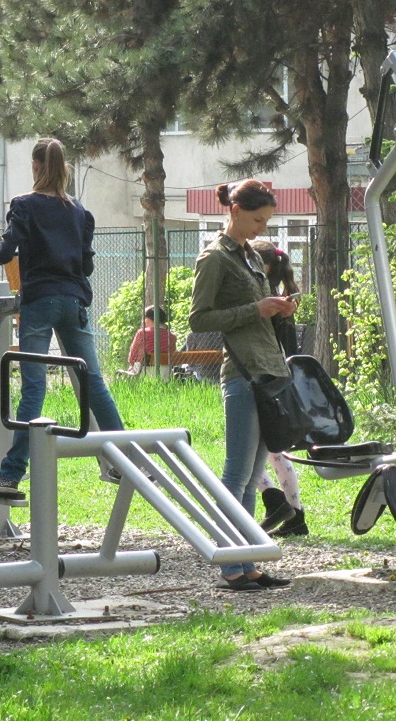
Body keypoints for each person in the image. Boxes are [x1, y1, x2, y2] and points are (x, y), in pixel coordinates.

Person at [0, 138, 125, 499]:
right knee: (93, 383)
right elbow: (86, 265)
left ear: (35, 166)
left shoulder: (24, 205)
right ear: (64, 168)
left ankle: (10, 475)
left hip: (39, 301)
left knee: (34, 387)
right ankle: (127, 460)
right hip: (73, 301)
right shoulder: (80, 211)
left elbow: (6, 252)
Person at [189, 179, 295, 592]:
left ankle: (247, 564)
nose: (262, 228)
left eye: (266, 221)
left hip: (267, 371)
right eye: (257, 220)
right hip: (241, 374)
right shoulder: (214, 258)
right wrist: (256, 309)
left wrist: (279, 310)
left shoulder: (251, 255)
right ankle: (229, 566)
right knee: (236, 475)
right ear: (234, 211)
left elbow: (256, 314)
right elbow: (199, 319)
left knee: (252, 479)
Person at [251, 240, 307, 537]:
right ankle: (294, 514)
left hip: (265, 382)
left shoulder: (269, 303)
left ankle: (277, 504)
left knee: (253, 453)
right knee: (274, 452)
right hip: (279, 382)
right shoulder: (281, 301)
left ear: (264, 267)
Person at [122, 305, 179, 375]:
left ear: (149, 319)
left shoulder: (142, 333)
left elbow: (131, 359)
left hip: (143, 374)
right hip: (166, 375)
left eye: (144, 317)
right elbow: (173, 359)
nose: (143, 321)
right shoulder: (171, 337)